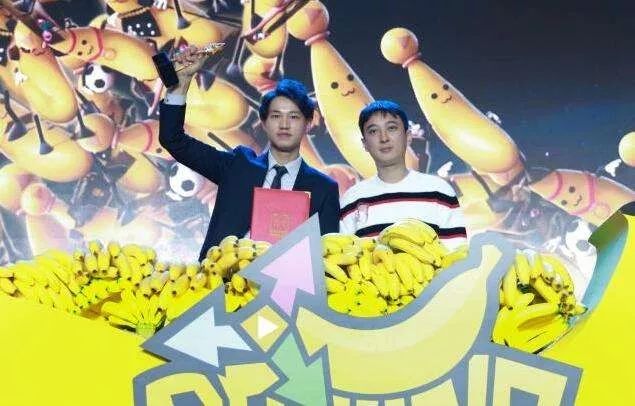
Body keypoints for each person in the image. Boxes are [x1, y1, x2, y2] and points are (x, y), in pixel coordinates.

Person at [159, 46, 340, 261]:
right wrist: (180, 84)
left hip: (285, 280)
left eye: (294, 117)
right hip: (218, 277)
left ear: (308, 124)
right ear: (264, 123)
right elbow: (173, 139)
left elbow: (328, 257)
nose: (284, 124)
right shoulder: (237, 165)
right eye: (276, 116)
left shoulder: (323, 188)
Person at [339, 100, 467, 249]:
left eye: (392, 128)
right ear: (365, 144)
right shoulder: (352, 199)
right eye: (373, 131)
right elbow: (343, 255)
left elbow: (457, 255)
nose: (384, 138)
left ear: (408, 136)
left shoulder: (439, 191)